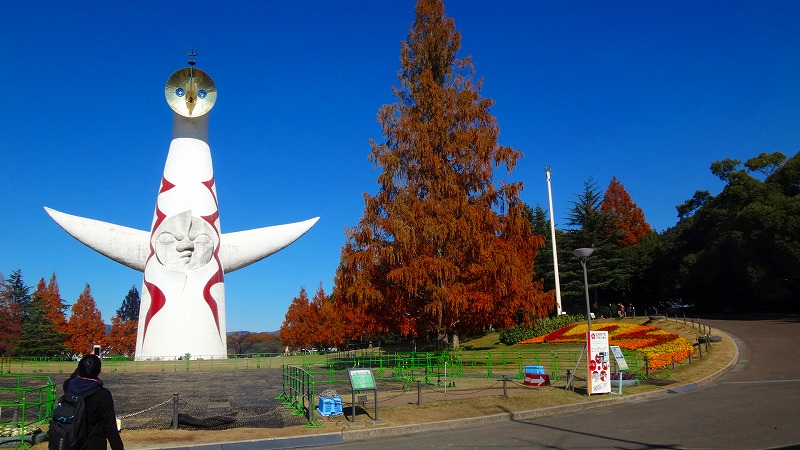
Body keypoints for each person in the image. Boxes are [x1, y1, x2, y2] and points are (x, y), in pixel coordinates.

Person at [62, 354, 124, 450]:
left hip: (71, 442)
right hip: (93, 443)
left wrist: (84, 365)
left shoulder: (68, 387)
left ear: (79, 368)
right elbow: (110, 427)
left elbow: (72, 378)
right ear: (99, 371)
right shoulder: (103, 395)